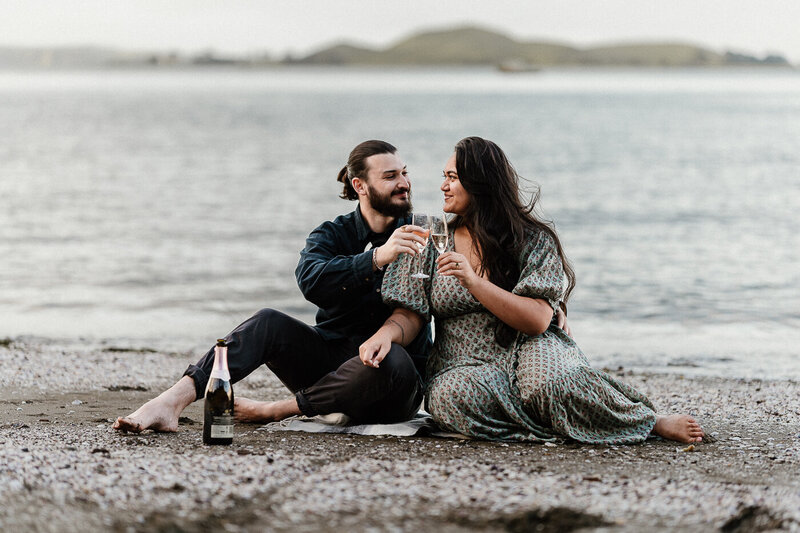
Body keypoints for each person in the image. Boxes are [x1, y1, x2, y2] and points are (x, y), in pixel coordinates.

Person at [360, 136, 704, 444]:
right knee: (451, 399)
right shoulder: (432, 240)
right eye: (444, 178)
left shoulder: (532, 240)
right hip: (461, 360)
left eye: (452, 178)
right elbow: (409, 313)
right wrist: (386, 335)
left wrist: (474, 282)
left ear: (481, 185)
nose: (443, 187)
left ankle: (648, 421)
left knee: (547, 385)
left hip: (529, 345)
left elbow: (538, 320)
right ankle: (555, 424)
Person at [113, 140, 434, 432]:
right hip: (329, 366)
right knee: (267, 321)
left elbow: (416, 313)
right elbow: (311, 281)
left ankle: (278, 411)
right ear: (359, 185)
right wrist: (376, 258)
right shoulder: (333, 234)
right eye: (391, 176)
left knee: (391, 357)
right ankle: (170, 401)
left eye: (404, 173)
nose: (404, 183)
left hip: (393, 383)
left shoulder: (420, 234)